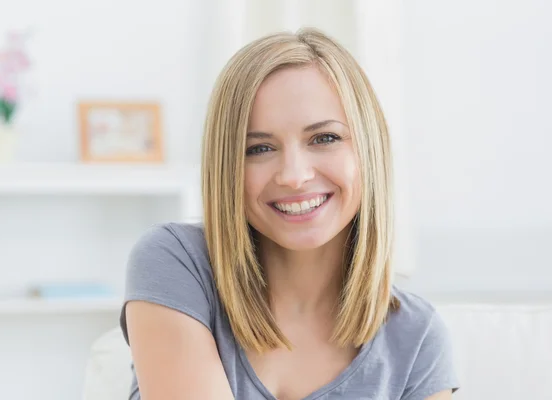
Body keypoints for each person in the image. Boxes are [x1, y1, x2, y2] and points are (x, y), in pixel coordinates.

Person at [120, 27, 459, 400]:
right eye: (260, 148)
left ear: (368, 149)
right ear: (227, 167)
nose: (294, 176)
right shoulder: (177, 261)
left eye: (324, 138)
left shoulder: (416, 336)